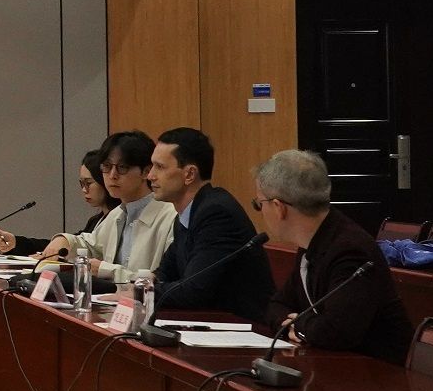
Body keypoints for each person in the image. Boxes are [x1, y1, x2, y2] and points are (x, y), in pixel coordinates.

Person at [255, 149, 411, 363]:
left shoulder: (350, 250)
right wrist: (298, 324)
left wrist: (298, 324)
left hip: (381, 371)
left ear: (278, 207)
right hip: (341, 365)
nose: (260, 211)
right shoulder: (313, 241)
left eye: (259, 204)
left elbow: (336, 332)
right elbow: (276, 305)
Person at [148, 127, 275, 320]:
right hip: (212, 321)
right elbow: (166, 272)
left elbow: (193, 291)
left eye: (160, 167)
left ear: (189, 174)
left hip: (244, 326)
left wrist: (142, 291)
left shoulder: (216, 214)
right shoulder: (188, 213)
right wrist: (146, 282)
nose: (150, 175)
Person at [38, 130, 176, 287]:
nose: (112, 175)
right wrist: (65, 240)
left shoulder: (170, 216)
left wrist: (105, 270)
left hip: (145, 300)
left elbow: (162, 281)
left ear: (146, 172)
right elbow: (91, 245)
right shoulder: (117, 214)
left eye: (122, 167)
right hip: (112, 299)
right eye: (107, 166)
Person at [0, 149, 115, 258]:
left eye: (88, 183)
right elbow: (60, 247)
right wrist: (16, 243)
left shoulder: (116, 220)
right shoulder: (95, 220)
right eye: (81, 184)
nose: (84, 190)